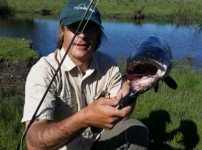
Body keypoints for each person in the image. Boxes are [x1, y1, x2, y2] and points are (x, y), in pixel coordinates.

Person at [21, 0, 149, 149]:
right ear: (62, 31)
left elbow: (122, 116)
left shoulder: (109, 65)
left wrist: (132, 87)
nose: (82, 34)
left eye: (90, 28)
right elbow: (33, 142)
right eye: (75, 26)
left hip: (94, 141)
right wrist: (84, 118)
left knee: (137, 130)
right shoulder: (43, 71)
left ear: (97, 35)